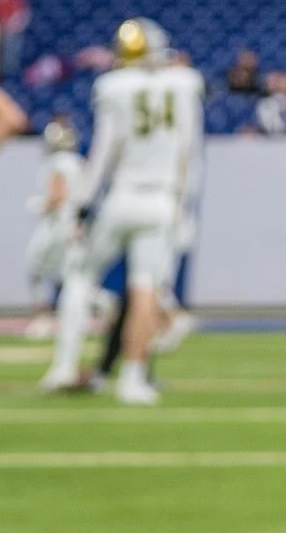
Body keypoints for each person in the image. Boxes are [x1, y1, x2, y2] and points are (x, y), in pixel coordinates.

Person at [40, 22, 201, 405]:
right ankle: (132, 377)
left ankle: (63, 366)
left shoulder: (115, 88)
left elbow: (104, 152)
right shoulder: (183, 85)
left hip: (124, 195)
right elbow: (188, 153)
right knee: (146, 290)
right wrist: (182, 205)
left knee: (80, 276)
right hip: (162, 200)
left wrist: (81, 204)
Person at [22, 119, 88, 340]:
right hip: (73, 223)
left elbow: (59, 196)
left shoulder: (58, 163)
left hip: (56, 224)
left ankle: (43, 319)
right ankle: (97, 309)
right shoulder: (77, 162)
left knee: (36, 267)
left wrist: (39, 205)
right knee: (72, 274)